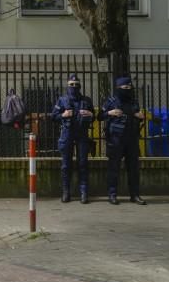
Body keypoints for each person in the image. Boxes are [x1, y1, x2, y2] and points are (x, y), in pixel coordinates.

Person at [98, 76, 147, 206]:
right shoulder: (111, 100)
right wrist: (110, 113)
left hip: (132, 138)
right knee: (114, 168)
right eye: (125, 88)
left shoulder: (134, 102)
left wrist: (141, 117)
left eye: (129, 87)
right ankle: (112, 195)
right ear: (118, 88)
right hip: (116, 139)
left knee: (133, 168)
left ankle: (135, 195)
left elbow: (138, 115)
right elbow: (99, 116)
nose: (127, 90)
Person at [51, 74, 94, 204]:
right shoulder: (62, 100)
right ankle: (66, 192)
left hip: (82, 134)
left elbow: (94, 116)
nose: (74, 87)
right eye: (71, 85)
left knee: (83, 164)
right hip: (67, 133)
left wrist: (90, 114)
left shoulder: (86, 100)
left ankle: (84, 192)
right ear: (67, 86)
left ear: (79, 86)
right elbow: (53, 116)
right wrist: (63, 114)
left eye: (76, 85)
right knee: (65, 165)